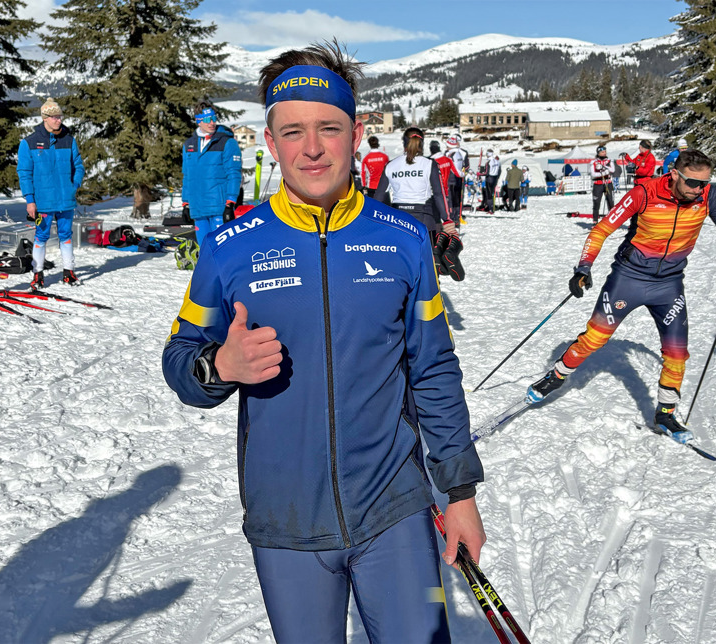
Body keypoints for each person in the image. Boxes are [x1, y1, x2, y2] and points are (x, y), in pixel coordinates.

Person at [162, 41, 485, 643]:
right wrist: (221, 365)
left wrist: (460, 492)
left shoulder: (404, 239)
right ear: (271, 142)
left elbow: (434, 367)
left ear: (355, 134)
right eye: (293, 132)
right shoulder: (230, 248)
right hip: (285, 522)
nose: (311, 148)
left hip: (396, 509)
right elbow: (180, 360)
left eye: (329, 128)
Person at [527, 149, 716, 443]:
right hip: (629, 279)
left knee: (677, 353)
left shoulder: (708, 195)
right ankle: (557, 375)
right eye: (692, 182)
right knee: (595, 338)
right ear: (674, 174)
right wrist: (583, 268)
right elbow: (601, 230)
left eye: (704, 183)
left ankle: (665, 414)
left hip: (669, 285)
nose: (698, 189)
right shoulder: (644, 192)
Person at [374, 128, 464, 281]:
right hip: (424, 219)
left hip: (398, 220)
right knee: (428, 268)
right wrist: (447, 219)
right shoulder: (429, 163)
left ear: (403, 143)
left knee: (402, 266)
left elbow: (379, 196)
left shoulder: (391, 165)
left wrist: (373, 219)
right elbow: (439, 194)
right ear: (422, 143)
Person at [17, 98, 85, 288]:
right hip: (43, 202)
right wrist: (30, 200)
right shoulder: (29, 143)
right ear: (45, 118)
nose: (58, 120)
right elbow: (24, 173)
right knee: (41, 236)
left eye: (60, 116)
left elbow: (78, 166)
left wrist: (74, 185)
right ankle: (37, 274)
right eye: (54, 117)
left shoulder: (69, 140)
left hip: (66, 200)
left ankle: (69, 272)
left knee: (66, 235)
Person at [181, 102, 243, 246]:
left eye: (214, 118)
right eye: (208, 119)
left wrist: (230, 203)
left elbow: (233, 174)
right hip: (198, 208)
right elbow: (187, 176)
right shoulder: (189, 145)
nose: (212, 123)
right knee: (204, 249)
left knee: (222, 250)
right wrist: (186, 203)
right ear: (198, 121)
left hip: (219, 207)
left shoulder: (227, 142)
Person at [430, 140, 462, 223]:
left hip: (436, 189)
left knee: (436, 210)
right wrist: (464, 173)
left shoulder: (431, 161)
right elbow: (457, 173)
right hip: (447, 188)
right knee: (448, 207)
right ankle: (452, 222)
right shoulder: (448, 159)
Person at [445, 134, 469, 218]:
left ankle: (458, 213)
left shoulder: (463, 152)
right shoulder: (447, 152)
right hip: (454, 176)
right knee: (452, 197)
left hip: (458, 177)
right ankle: (453, 213)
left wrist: (464, 172)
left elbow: (467, 165)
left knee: (458, 196)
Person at [591, 145, 615, 224]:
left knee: (610, 202)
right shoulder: (594, 162)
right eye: (602, 152)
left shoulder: (609, 161)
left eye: (605, 151)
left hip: (608, 183)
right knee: (596, 203)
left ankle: (612, 221)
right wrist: (604, 173)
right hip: (598, 184)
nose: (604, 153)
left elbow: (613, 170)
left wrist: (604, 167)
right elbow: (593, 174)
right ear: (598, 153)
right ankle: (595, 221)